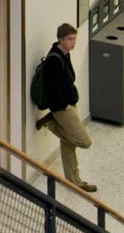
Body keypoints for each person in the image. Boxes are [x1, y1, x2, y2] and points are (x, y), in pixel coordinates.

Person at [30, 23, 97, 191]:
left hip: (68, 103)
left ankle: (74, 182)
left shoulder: (65, 55)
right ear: (60, 39)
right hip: (62, 109)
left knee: (69, 144)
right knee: (84, 141)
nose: (72, 42)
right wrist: (64, 105)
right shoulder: (54, 59)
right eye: (69, 39)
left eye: (74, 39)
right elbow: (53, 88)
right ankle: (50, 122)